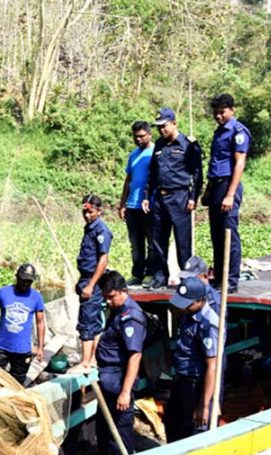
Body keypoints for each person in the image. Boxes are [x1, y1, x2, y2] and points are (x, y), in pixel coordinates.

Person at [141, 107, 203, 289]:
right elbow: (152, 173)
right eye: (159, 127)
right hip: (160, 198)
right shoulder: (159, 145)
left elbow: (198, 173)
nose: (162, 130)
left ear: (174, 123)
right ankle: (161, 276)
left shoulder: (188, 144)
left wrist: (193, 197)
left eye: (165, 126)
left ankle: (187, 278)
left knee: (183, 241)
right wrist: (147, 196)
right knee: (159, 240)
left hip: (180, 196)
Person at [94, 271, 146, 455]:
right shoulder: (115, 311)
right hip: (107, 380)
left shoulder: (130, 317)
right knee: (104, 431)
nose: (108, 301)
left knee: (120, 435)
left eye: (111, 297)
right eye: (105, 297)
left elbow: (135, 355)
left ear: (123, 291)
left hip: (119, 381)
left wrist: (125, 392)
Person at [203, 93, 250, 294]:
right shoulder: (219, 132)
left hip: (228, 185)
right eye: (215, 113)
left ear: (232, 110)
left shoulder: (238, 132)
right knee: (216, 235)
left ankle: (231, 280)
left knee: (229, 234)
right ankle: (220, 278)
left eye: (222, 112)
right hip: (215, 185)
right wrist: (207, 191)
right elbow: (214, 164)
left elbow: (239, 163)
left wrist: (230, 194)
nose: (218, 116)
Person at [164, 277, 221, 442]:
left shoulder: (208, 325)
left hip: (195, 385)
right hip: (181, 380)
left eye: (187, 304)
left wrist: (203, 405)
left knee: (190, 431)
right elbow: (173, 308)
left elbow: (213, 366)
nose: (182, 308)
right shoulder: (188, 313)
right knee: (172, 423)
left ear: (201, 301)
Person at [0, 263, 46, 385]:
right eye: (23, 280)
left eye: (28, 281)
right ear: (17, 276)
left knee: (17, 383)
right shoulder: (3, 292)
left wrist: (40, 347)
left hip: (22, 350)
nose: (25, 284)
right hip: (0, 347)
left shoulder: (36, 297)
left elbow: (40, 323)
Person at [75, 194, 112, 369]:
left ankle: (86, 362)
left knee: (87, 320)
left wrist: (90, 285)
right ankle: (92, 359)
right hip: (85, 277)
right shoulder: (89, 228)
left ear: (99, 211)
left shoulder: (101, 231)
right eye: (85, 212)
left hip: (92, 280)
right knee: (93, 320)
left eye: (90, 212)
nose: (87, 215)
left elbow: (103, 260)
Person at [118, 121, 155, 287]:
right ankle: (137, 274)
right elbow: (128, 179)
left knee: (152, 242)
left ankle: (151, 273)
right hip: (132, 205)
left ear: (149, 134)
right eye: (135, 137)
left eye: (141, 136)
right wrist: (122, 203)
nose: (138, 139)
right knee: (136, 244)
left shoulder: (155, 153)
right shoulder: (133, 154)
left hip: (148, 205)